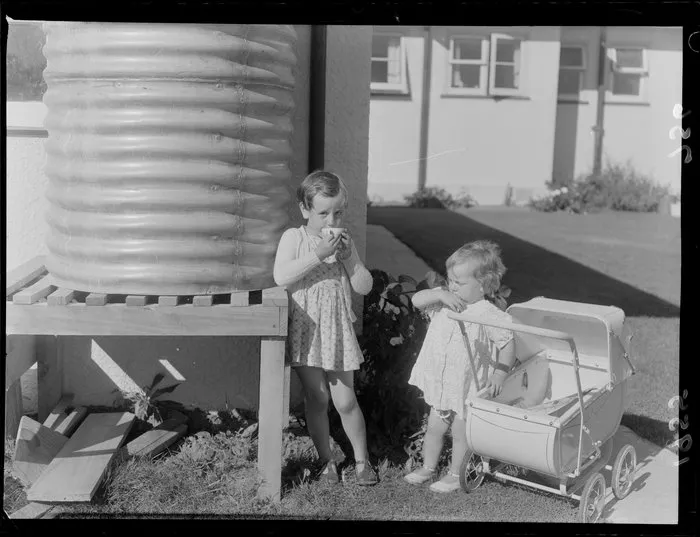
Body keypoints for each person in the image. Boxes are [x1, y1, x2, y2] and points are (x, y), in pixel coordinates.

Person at [273, 170, 377, 486]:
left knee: (345, 401)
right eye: (323, 213)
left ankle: (362, 461)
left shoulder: (345, 243)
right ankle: (325, 461)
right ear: (305, 210)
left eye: (338, 211)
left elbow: (364, 286)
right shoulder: (295, 237)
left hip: (338, 331)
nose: (331, 219)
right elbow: (282, 276)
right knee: (316, 399)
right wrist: (318, 254)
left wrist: (349, 260)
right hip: (307, 330)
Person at [404, 240, 515, 493]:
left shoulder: (486, 312)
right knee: (434, 428)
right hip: (444, 382)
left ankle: (456, 474)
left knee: (459, 432)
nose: (453, 286)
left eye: (460, 283)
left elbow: (508, 341)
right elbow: (417, 301)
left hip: (467, 386)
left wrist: (500, 372)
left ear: (484, 285)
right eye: (450, 280)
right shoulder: (444, 301)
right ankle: (428, 467)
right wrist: (439, 293)